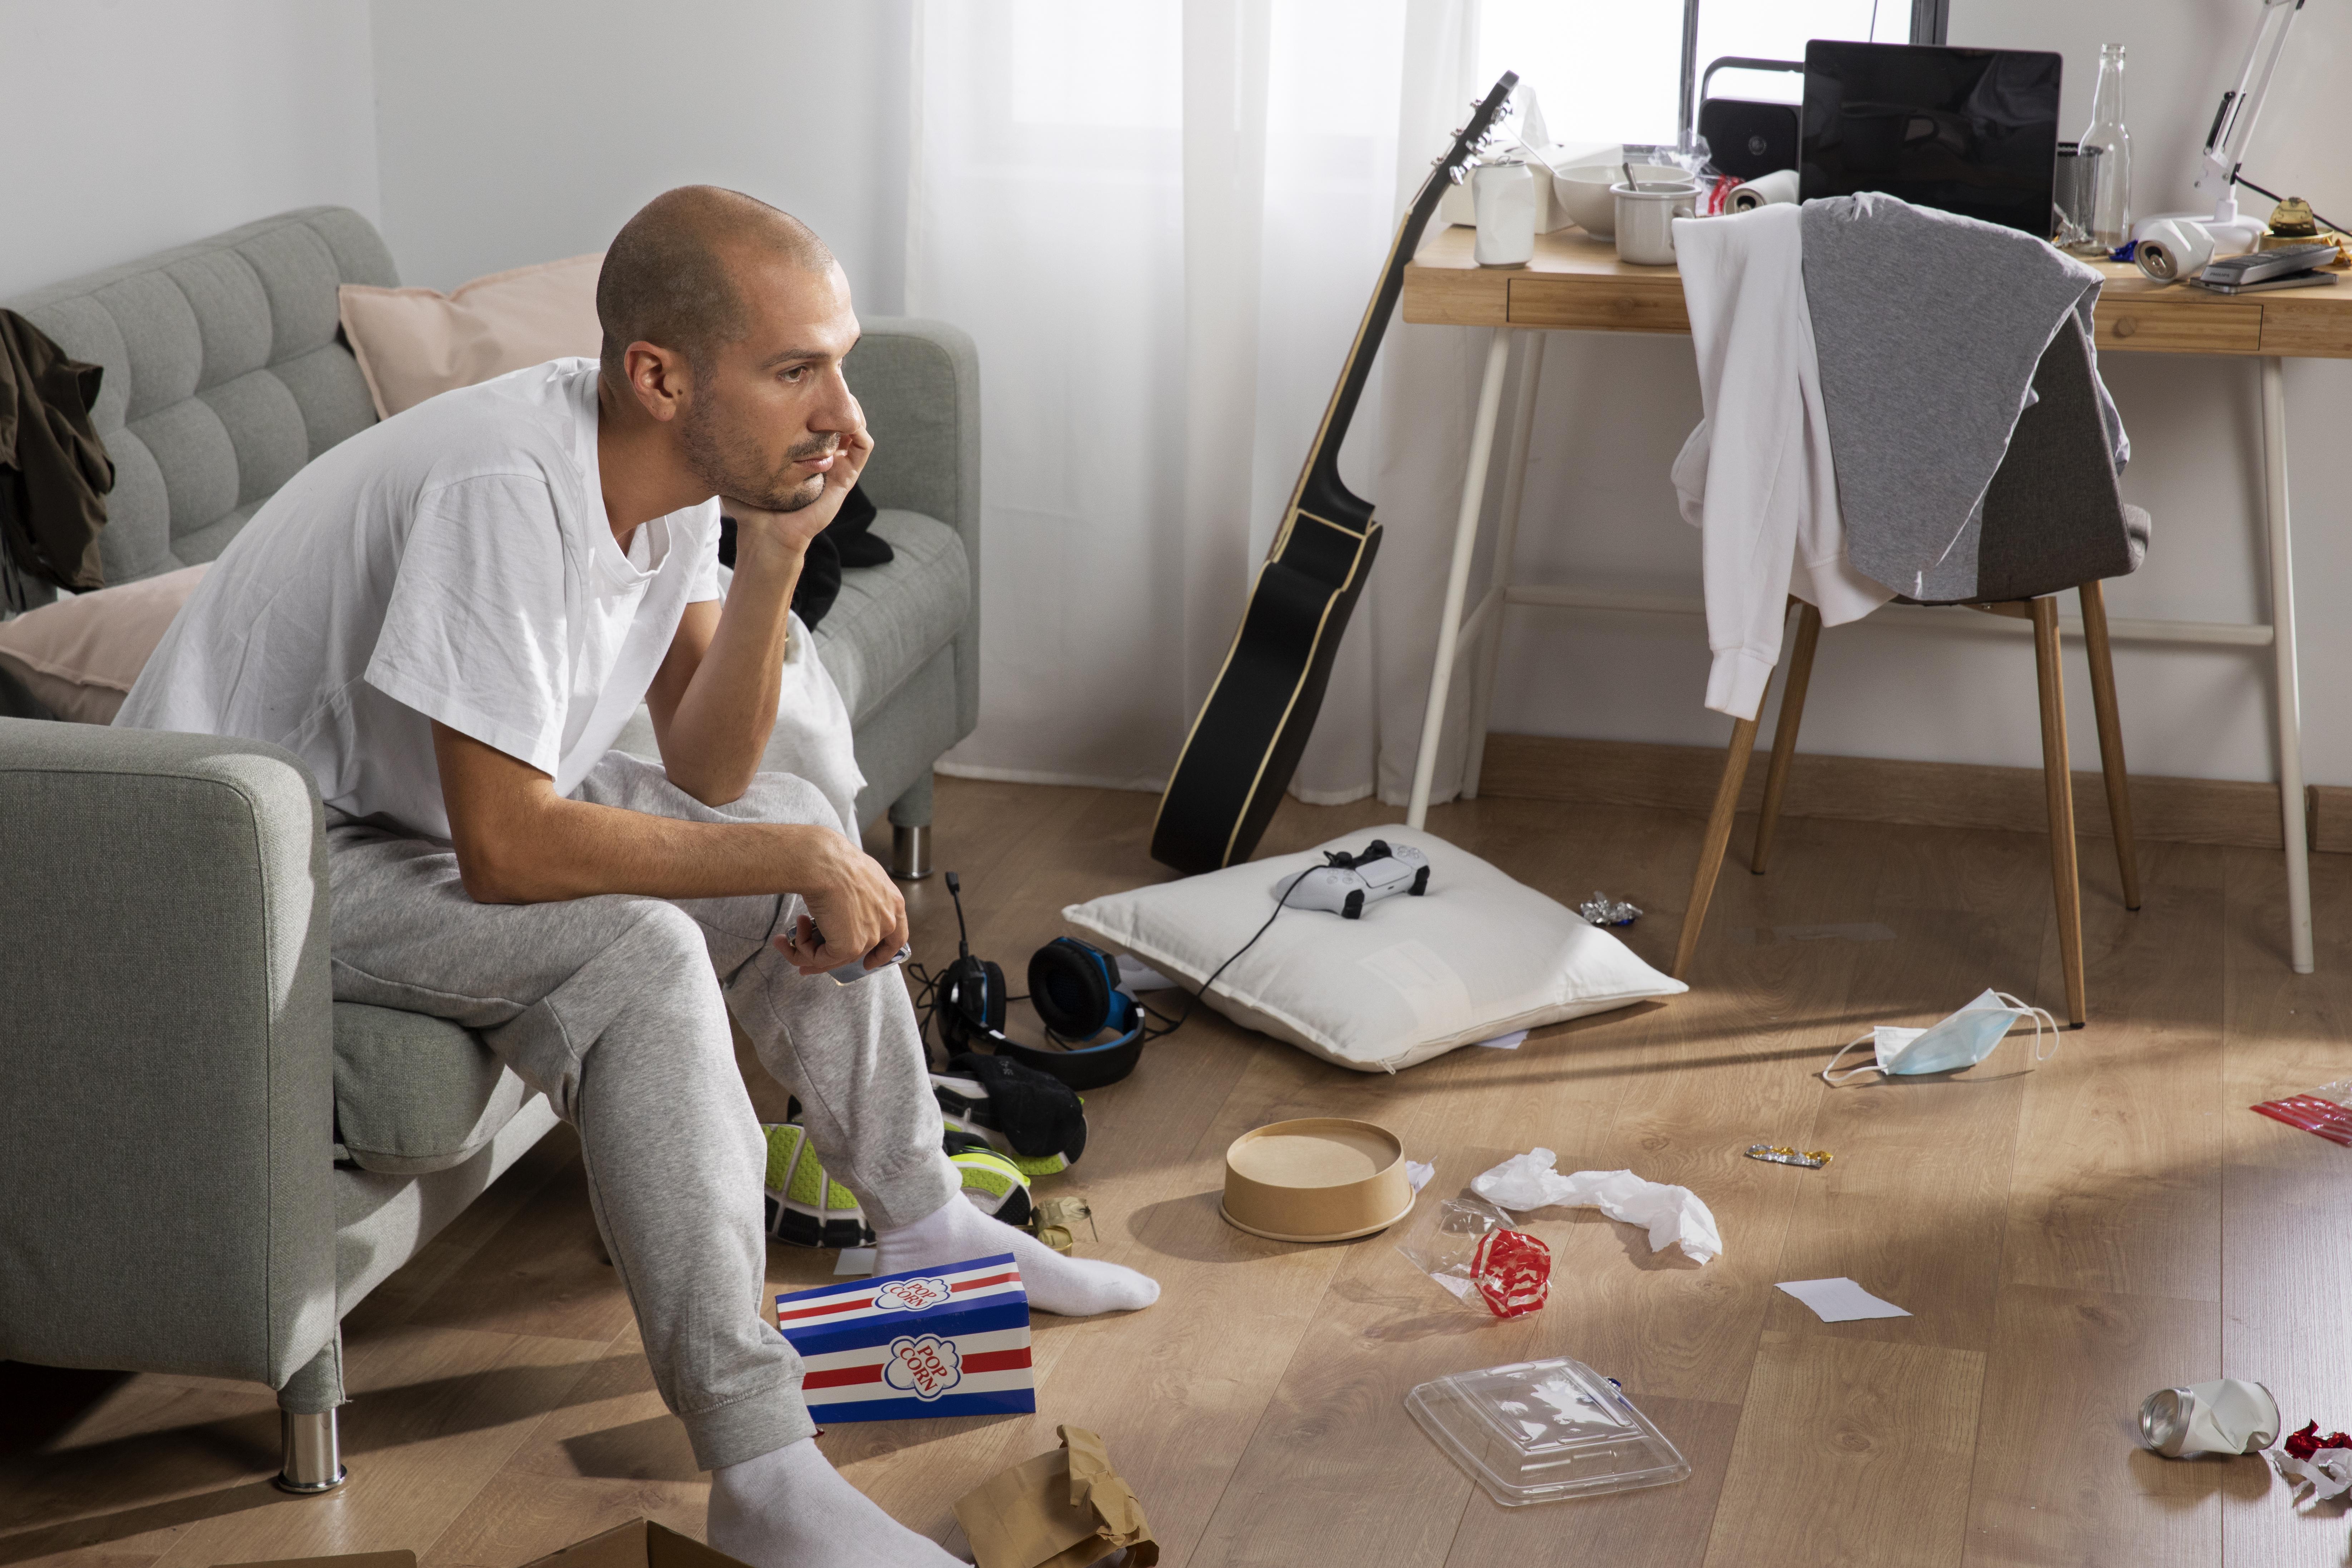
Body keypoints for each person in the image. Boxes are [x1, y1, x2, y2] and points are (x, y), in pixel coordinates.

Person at [118, 185, 1158, 1568]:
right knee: (650, 945)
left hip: (403, 810)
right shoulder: (509, 485)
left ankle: (926, 1232)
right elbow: (509, 847)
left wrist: (779, 550)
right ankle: (763, 1472)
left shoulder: (666, 481)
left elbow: (714, 767)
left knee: (792, 809)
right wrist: (800, 853)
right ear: (660, 376)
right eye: (798, 370)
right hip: (249, 858)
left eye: (835, 362)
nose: (842, 410)